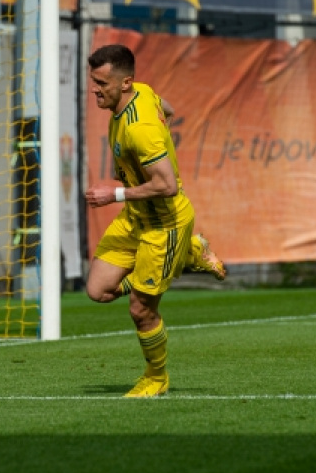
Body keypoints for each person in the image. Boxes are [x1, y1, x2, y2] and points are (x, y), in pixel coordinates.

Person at [84, 43, 225, 398]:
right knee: (99, 291)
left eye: (102, 83)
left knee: (140, 309)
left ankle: (156, 377)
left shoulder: (139, 130)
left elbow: (165, 185)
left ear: (125, 83)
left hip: (165, 225)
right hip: (136, 219)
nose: (95, 89)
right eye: (93, 81)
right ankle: (192, 253)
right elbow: (169, 108)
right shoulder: (143, 92)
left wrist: (111, 194)